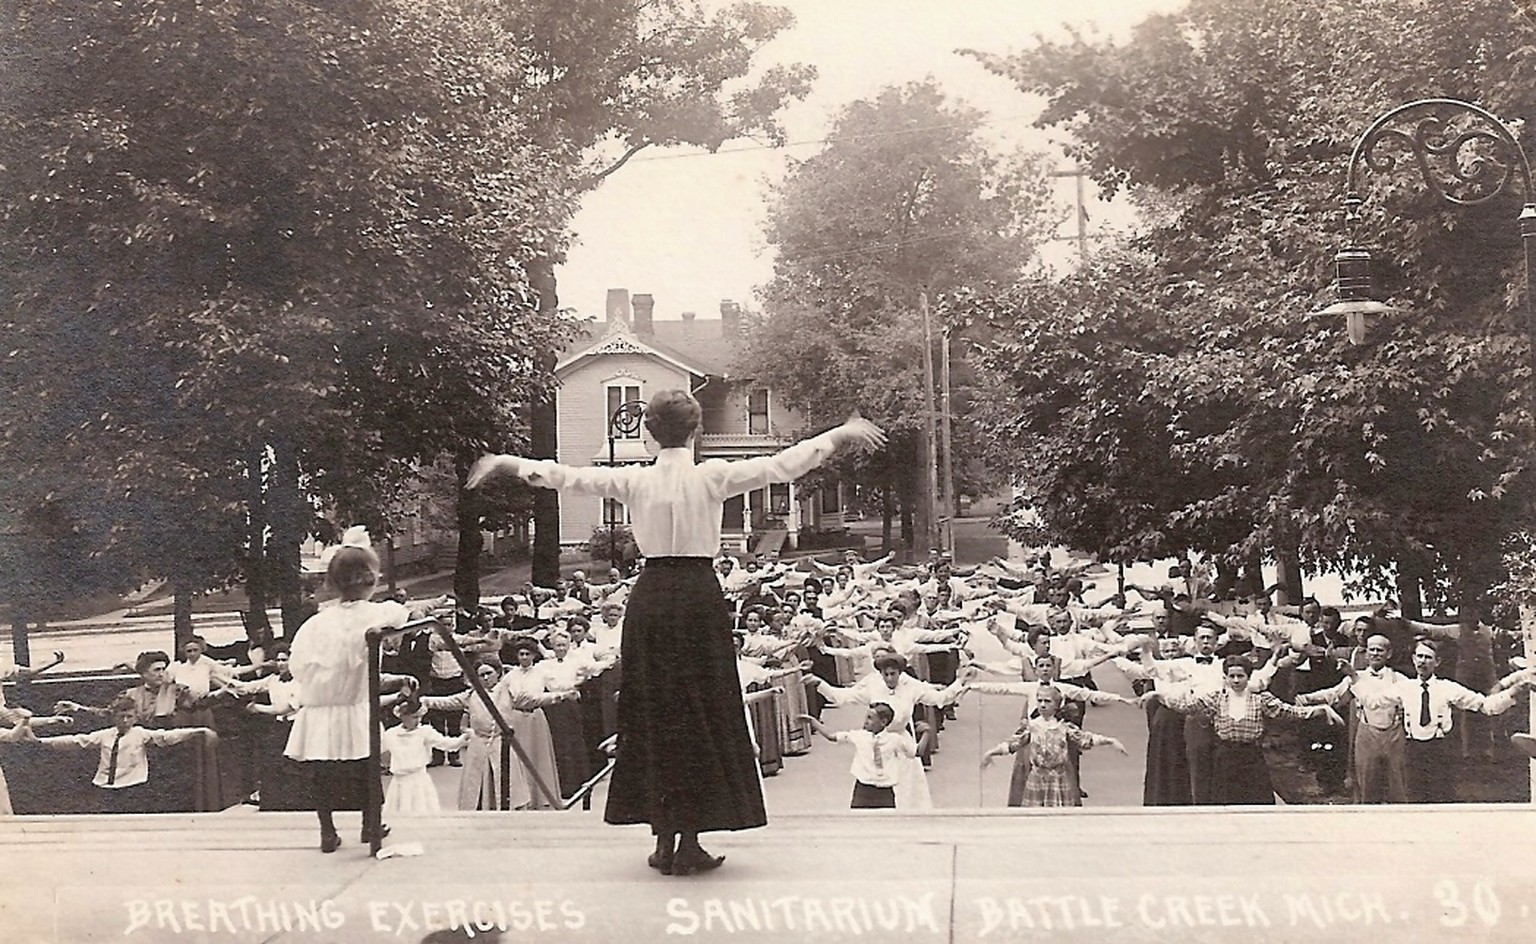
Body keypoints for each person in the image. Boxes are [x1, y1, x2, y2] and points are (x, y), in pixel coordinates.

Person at [468, 392, 885, 875]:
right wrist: (839, 432)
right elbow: (781, 466)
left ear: (648, 431)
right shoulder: (710, 476)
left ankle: (664, 837)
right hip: (697, 599)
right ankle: (689, 838)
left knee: (652, 709)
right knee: (700, 708)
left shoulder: (634, 479)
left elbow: (567, 476)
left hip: (651, 599)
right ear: (697, 430)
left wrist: (506, 461)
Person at [283, 526, 413, 853]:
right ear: (371, 582)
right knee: (367, 768)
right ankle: (371, 824)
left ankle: (327, 830)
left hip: (319, 709)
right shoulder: (374, 614)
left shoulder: (316, 622)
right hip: (354, 706)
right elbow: (400, 614)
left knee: (322, 772)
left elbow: (297, 666)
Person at [1156, 655, 1344, 805]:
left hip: (1252, 760)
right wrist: (1157, 694)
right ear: (1225, 678)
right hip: (1224, 759)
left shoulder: (1261, 699)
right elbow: (1186, 706)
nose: (1236, 680)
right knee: (1225, 805)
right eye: (1232, 676)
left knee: (1255, 804)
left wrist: (1321, 709)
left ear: (1248, 677)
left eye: (1240, 676)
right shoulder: (1216, 698)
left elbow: (1290, 712)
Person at [28, 695, 215, 814]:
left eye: (129, 717)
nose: (125, 721)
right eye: (120, 717)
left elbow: (166, 736)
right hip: (105, 786)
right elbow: (77, 741)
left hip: (133, 786)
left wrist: (198, 730)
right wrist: (42, 742)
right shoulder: (104, 735)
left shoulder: (140, 734)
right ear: (113, 717)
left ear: (135, 717)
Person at [980, 685, 1127, 807]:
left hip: (1058, 780)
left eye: (1047, 701)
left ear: (1057, 704)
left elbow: (1086, 739)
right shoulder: (1031, 726)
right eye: (1040, 701)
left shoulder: (1064, 727)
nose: (1043, 705)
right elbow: (1012, 744)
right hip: (1037, 779)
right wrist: (991, 753)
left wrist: (1110, 741)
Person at [799, 703, 915, 809]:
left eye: (870, 718)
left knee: (886, 824)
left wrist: (926, 733)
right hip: (863, 789)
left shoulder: (895, 740)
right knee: (857, 821)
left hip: (885, 792)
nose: (865, 721)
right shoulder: (859, 736)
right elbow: (832, 736)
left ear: (883, 722)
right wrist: (813, 722)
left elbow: (915, 752)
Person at [380, 697, 467, 817]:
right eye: (414, 717)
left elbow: (447, 744)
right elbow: (382, 755)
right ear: (402, 716)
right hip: (399, 782)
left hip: (419, 781)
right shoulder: (390, 734)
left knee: (422, 812)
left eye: (420, 716)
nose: (418, 720)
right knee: (398, 814)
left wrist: (463, 739)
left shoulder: (425, 732)